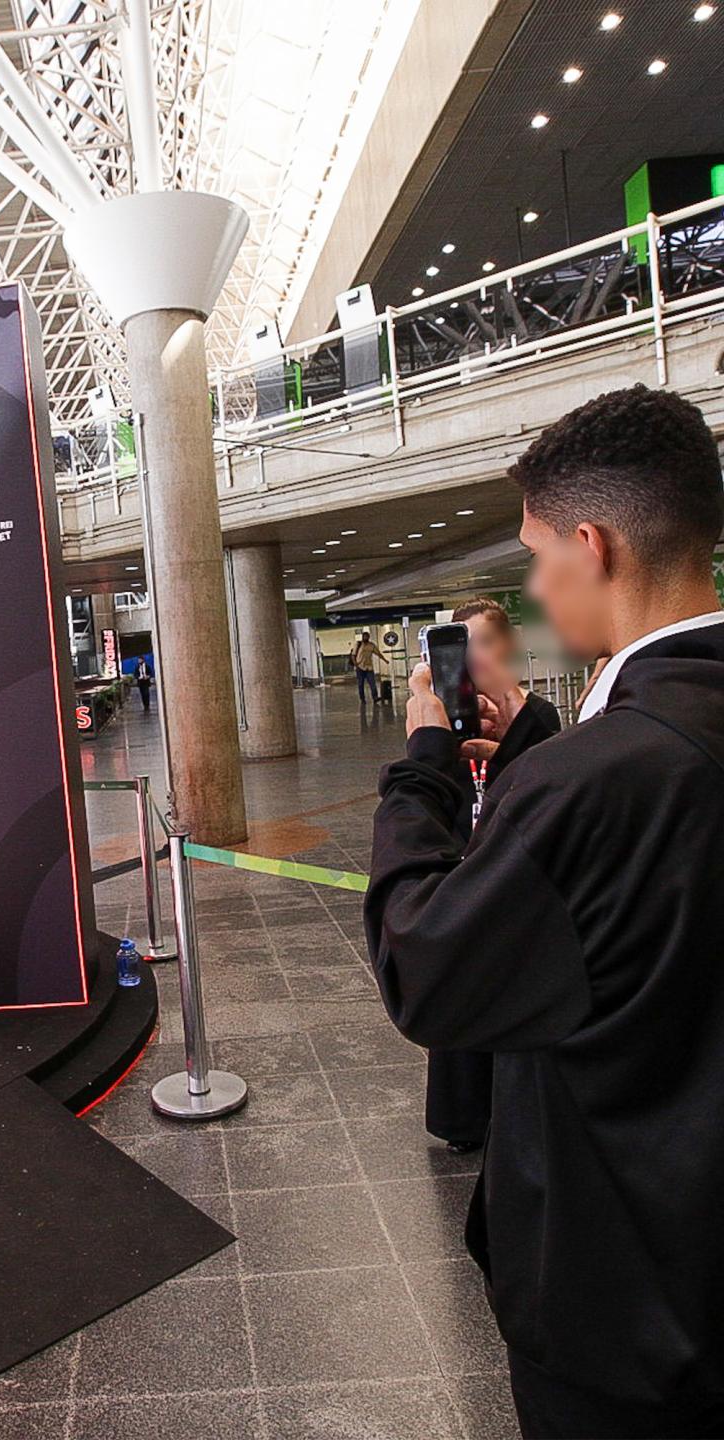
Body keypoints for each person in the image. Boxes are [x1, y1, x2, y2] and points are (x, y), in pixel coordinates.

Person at [365, 385, 724, 1439]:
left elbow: (427, 967)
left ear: (592, 546)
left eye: (536, 554)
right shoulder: (622, 754)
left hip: (626, 1305)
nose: (533, 583)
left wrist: (422, 770)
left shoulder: (592, 780)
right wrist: (531, 750)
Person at [423, 597, 560, 1154]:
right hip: (463, 870)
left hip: (519, 876)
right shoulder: (446, 723)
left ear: (507, 646)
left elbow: (549, 789)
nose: (473, 658)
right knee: (462, 990)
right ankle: (463, 1117)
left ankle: (520, 1111)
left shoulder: (537, 718)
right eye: (462, 647)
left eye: (482, 642)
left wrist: (509, 737)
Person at [349, 631, 380, 703]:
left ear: (369, 637)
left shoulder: (371, 645)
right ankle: (362, 698)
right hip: (360, 667)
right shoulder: (358, 644)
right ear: (362, 637)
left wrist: (385, 660)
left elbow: (378, 653)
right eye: (364, 636)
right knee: (360, 684)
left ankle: (375, 697)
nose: (365, 638)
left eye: (367, 636)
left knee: (372, 683)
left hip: (369, 667)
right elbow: (353, 655)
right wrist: (355, 664)